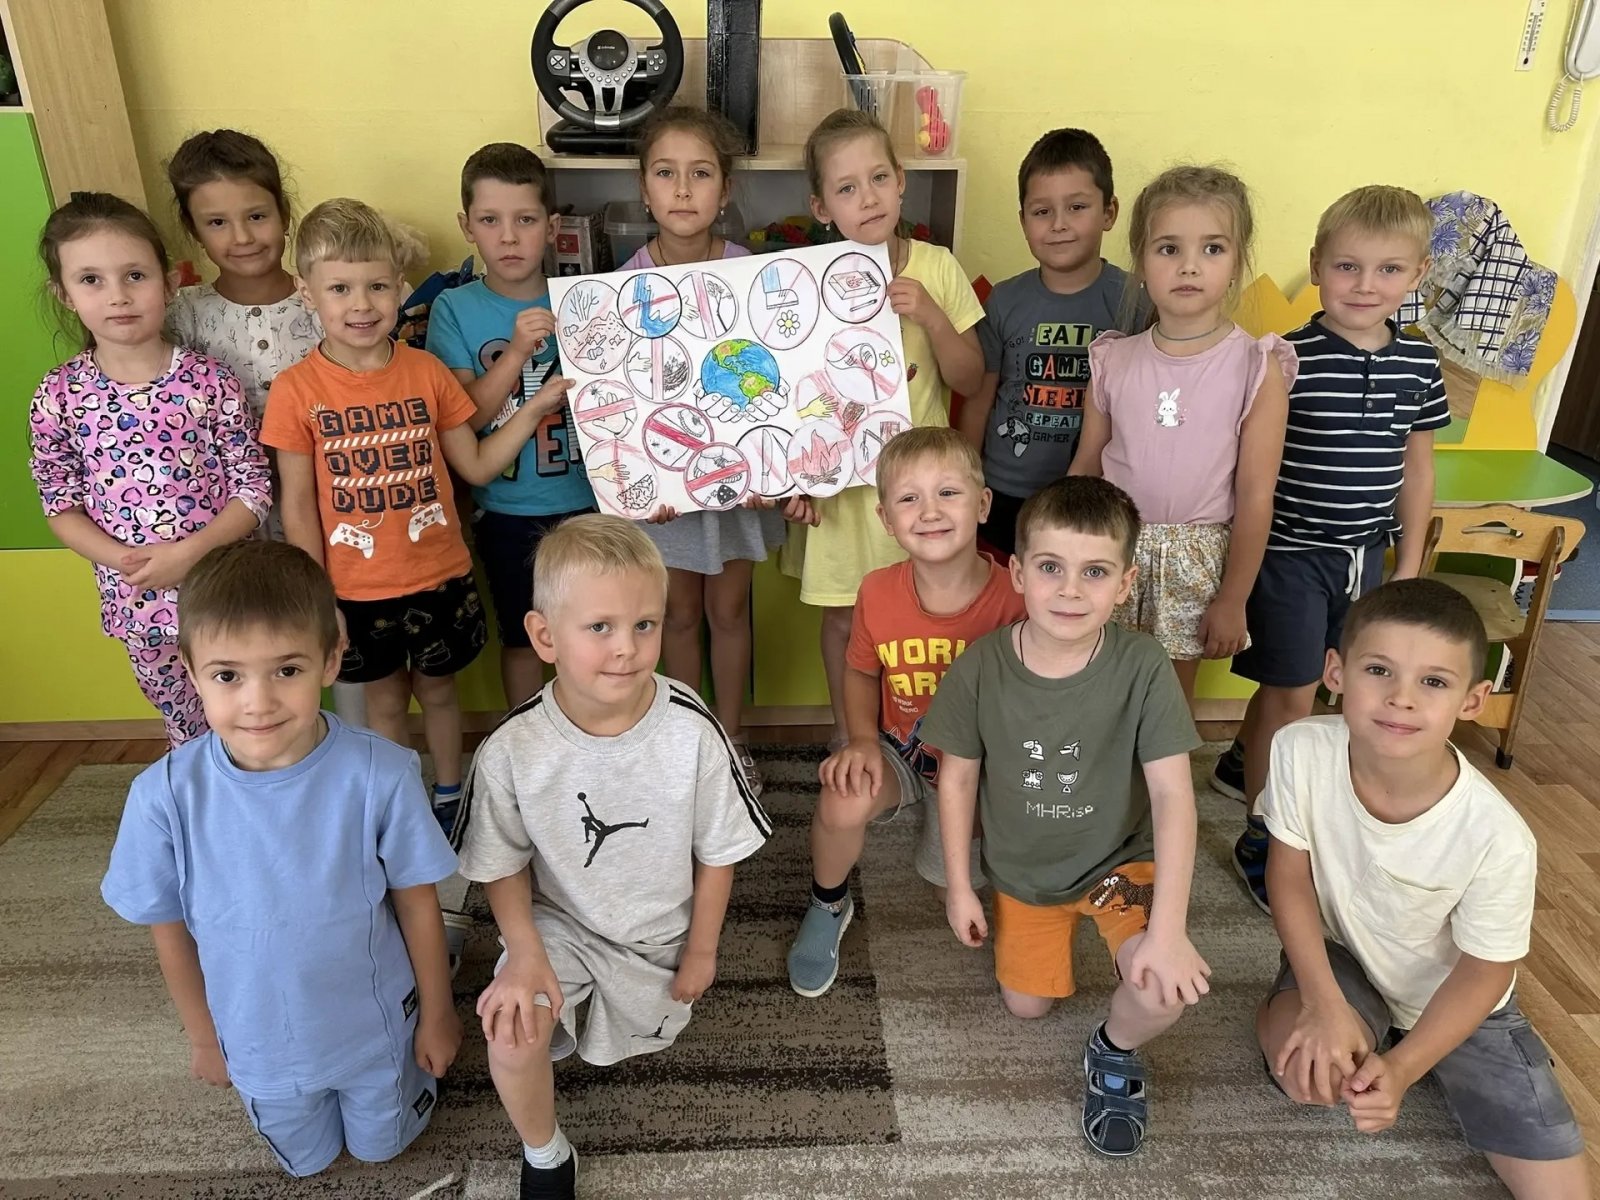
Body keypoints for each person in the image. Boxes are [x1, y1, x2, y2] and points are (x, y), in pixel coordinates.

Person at [100, 540, 461, 1177]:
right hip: (258, 1046)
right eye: (228, 675)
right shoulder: (161, 797)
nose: (258, 701)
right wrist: (204, 1038)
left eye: (287, 670)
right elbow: (168, 931)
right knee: (308, 1160)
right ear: (190, 670)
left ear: (331, 659)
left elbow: (417, 902)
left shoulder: (381, 773)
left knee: (383, 1146)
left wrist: (437, 1014)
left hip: (377, 1031)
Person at [452, 514, 770, 1200]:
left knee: (654, 1027)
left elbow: (720, 852)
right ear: (544, 637)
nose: (626, 648)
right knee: (509, 1032)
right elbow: (499, 861)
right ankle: (545, 1154)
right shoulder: (510, 750)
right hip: (559, 928)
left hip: (661, 936)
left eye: (644, 625)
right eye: (600, 627)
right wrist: (524, 952)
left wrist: (703, 950)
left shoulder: (694, 729)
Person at [1256, 579, 1588, 1199]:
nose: (1401, 698)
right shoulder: (1299, 749)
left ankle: (1407, 1044)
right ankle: (1324, 1011)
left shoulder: (1498, 837)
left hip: (1459, 1001)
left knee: (1561, 1191)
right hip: (1347, 962)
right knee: (1307, 1079)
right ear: (1336, 672)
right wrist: (1323, 1003)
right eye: (1379, 670)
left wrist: (1406, 1068)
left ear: (1473, 699)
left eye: (1433, 681)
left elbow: (1485, 970)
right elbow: (1288, 876)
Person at [921, 475, 1210, 1158]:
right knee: (1026, 1006)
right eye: (1051, 567)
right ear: (1018, 573)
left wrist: (1168, 931)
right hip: (1024, 875)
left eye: (1095, 572)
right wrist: (961, 886)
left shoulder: (1143, 665)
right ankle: (1050, 937)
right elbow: (956, 779)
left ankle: (1113, 1048)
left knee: (1162, 989)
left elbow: (1174, 796)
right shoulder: (980, 666)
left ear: (1126, 583)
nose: (1071, 590)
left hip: (1117, 867)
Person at [263, 198, 573, 827]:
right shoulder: (296, 390)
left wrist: (535, 409)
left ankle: (451, 795)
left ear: (399, 287)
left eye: (377, 287)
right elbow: (296, 504)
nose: (361, 304)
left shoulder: (427, 371)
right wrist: (315, 598)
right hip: (354, 590)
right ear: (307, 293)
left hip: (439, 579)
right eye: (340, 289)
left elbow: (477, 466)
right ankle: (400, 804)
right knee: (385, 704)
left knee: (439, 692)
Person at [1213, 187, 1450, 912]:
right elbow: (1252, 471)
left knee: (1318, 686)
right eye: (1348, 266)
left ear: (1418, 275)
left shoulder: (1419, 364)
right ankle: (1263, 836)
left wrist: (1408, 564)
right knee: (1292, 696)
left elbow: (1417, 468)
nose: (1365, 285)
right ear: (1317, 266)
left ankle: (1239, 762)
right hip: (1288, 556)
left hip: (1364, 559)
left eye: (1388, 270)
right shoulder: (1287, 358)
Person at [786, 427, 1024, 998]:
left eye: (948, 493)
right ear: (886, 519)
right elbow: (862, 671)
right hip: (902, 748)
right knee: (842, 798)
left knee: (958, 889)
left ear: (983, 504)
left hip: (987, 765)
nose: (930, 511)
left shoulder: (1018, 597)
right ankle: (827, 902)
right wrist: (861, 741)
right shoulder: (876, 590)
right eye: (909, 498)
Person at [28, 191, 271, 747]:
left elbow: (253, 488)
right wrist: (125, 562)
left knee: (250, 718)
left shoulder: (210, 381)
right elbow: (59, 503)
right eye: (91, 280)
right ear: (64, 293)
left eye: (134, 275)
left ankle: (258, 792)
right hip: (136, 601)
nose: (118, 295)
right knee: (185, 726)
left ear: (169, 282)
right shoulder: (59, 394)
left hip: (222, 590)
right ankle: (195, 795)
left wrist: (189, 554)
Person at [781, 108, 986, 748]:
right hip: (844, 496)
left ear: (901, 181)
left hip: (918, 492)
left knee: (928, 616)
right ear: (822, 206)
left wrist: (932, 316)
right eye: (847, 188)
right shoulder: (805, 284)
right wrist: (799, 481)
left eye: (877, 178)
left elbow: (970, 377)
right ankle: (854, 737)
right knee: (846, 619)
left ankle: (932, 739)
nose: (867, 198)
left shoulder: (936, 267)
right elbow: (791, 399)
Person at [162, 128, 367, 727]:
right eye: (217, 222)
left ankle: (346, 753)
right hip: (227, 520)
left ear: (283, 212)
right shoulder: (185, 316)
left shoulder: (326, 301)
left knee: (336, 639)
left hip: (333, 509)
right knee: (250, 649)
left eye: (256, 215)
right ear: (193, 229)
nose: (243, 236)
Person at [1069, 165, 1294, 709]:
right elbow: (1084, 471)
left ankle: (1159, 772)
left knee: (1167, 705)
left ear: (1236, 262)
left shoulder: (1255, 366)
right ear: (1142, 262)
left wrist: (1234, 598)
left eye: (1212, 248)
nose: (1189, 265)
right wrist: (1058, 559)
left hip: (1196, 560)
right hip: (1110, 549)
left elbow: (1255, 495)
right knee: (1094, 690)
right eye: (1168, 248)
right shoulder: (1113, 360)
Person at [619, 106, 795, 794]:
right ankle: (687, 740)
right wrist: (642, 484)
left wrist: (782, 468)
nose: (683, 190)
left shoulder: (752, 274)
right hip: (666, 491)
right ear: (644, 189)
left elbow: (778, 381)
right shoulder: (621, 286)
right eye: (666, 173)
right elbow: (621, 402)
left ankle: (732, 740)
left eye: (700, 174)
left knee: (727, 612)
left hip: (739, 483)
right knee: (679, 615)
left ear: (725, 190)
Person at [426, 142, 595, 710]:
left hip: (589, 503)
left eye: (525, 220)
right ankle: (525, 743)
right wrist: (518, 351)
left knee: (590, 634)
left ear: (552, 227)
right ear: (466, 227)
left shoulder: (585, 298)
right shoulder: (454, 309)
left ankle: (589, 740)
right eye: (490, 221)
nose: (508, 237)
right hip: (506, 511)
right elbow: (465, 415)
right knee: (524, 641)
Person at [956, 127, 1145, 558]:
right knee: (1006, 592)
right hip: (1007, 490)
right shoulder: (1004, 300)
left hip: (1095, 495)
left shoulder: (1135, 301)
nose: (1059, 224)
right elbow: (980, 399)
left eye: (1077, 207)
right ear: (1023, 220)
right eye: (1042, 212)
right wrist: (965, 480)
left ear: (1109, 212)